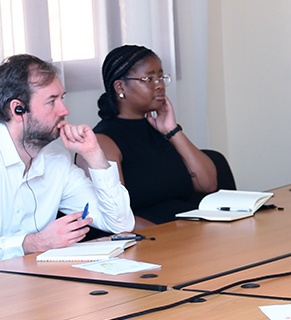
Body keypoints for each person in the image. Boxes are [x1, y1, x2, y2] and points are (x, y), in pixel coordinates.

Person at [0, 54, 135, 274]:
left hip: (25, 284)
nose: (64, 110)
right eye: (52, 101)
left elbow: (120, 225)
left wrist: (94, 156)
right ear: (18, 109)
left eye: (62, 98)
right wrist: (33, 243)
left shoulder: (56, 159)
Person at [93, 45, 218, 226]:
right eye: (149, 79)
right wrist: (169, 238)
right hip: (155, 240)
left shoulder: (159, 129)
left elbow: (208, 185)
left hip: (191, 231)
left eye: (161, 78)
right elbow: (117, 218)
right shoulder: (103, 141)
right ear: (120, 87)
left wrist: (173, 130)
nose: (159, 85)